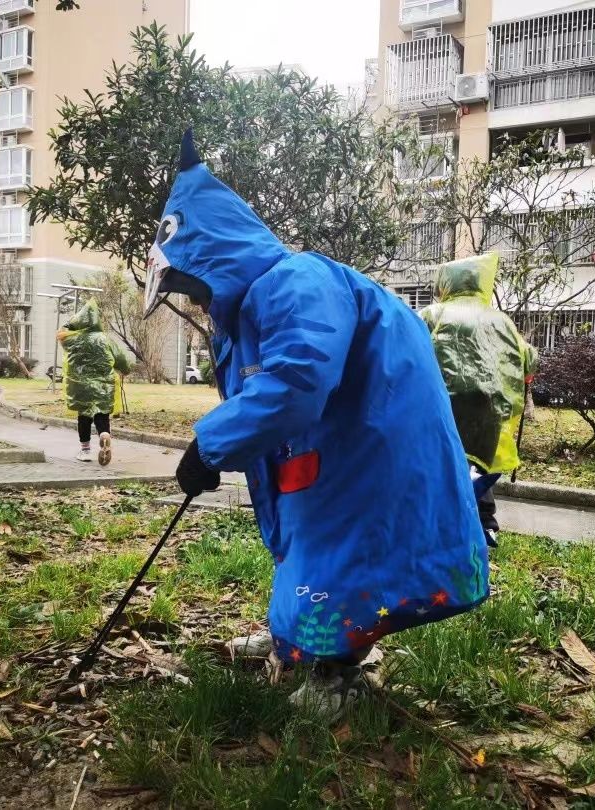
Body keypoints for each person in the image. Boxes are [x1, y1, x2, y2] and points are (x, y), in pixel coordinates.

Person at [142, 131, 488, 719]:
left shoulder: (296, 281)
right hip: (332, 450)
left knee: (349, 551)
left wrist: (210, 445)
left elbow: (298, 380)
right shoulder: (245, 315)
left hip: (370, 443)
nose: (194, 299)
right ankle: (300, 638)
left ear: (213, 255)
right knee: (312, 546)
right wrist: (229, 447)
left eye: (189, 283)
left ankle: (338, 673)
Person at [420, 254, 538, 545]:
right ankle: (485, 525)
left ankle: (438, 527)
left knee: (441, 463)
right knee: (480, 464)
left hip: (444, 404)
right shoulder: (502, 321)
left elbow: (409, 348)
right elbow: (529, 357)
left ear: (446, 283)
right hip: (491, 407)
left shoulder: (432, 314)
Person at [57, 299, 132, 465]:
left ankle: (85, 451)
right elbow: (120, 359)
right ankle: (104, 434)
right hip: (104, 386)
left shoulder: (71, 340)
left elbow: (62, 333)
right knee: (101, 414)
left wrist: (71, 325)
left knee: (84, 417)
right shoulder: (105, 339)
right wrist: (125, 370)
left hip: (80, 386)